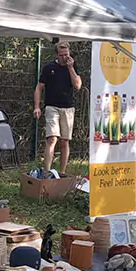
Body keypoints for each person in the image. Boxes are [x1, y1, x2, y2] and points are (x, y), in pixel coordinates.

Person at [33, 41, 82, 175]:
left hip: (68, 108)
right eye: (61, 55)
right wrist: (37, 107)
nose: (64, 58)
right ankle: (47, 173)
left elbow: (77, 86)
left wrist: (71, 68)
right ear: (56, 55)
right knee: (52, 138)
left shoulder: (73, 66)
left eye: (66, 54)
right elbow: (39, 88)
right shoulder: (49, 68)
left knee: (64, 141)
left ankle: (62, 173)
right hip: (52, 107)